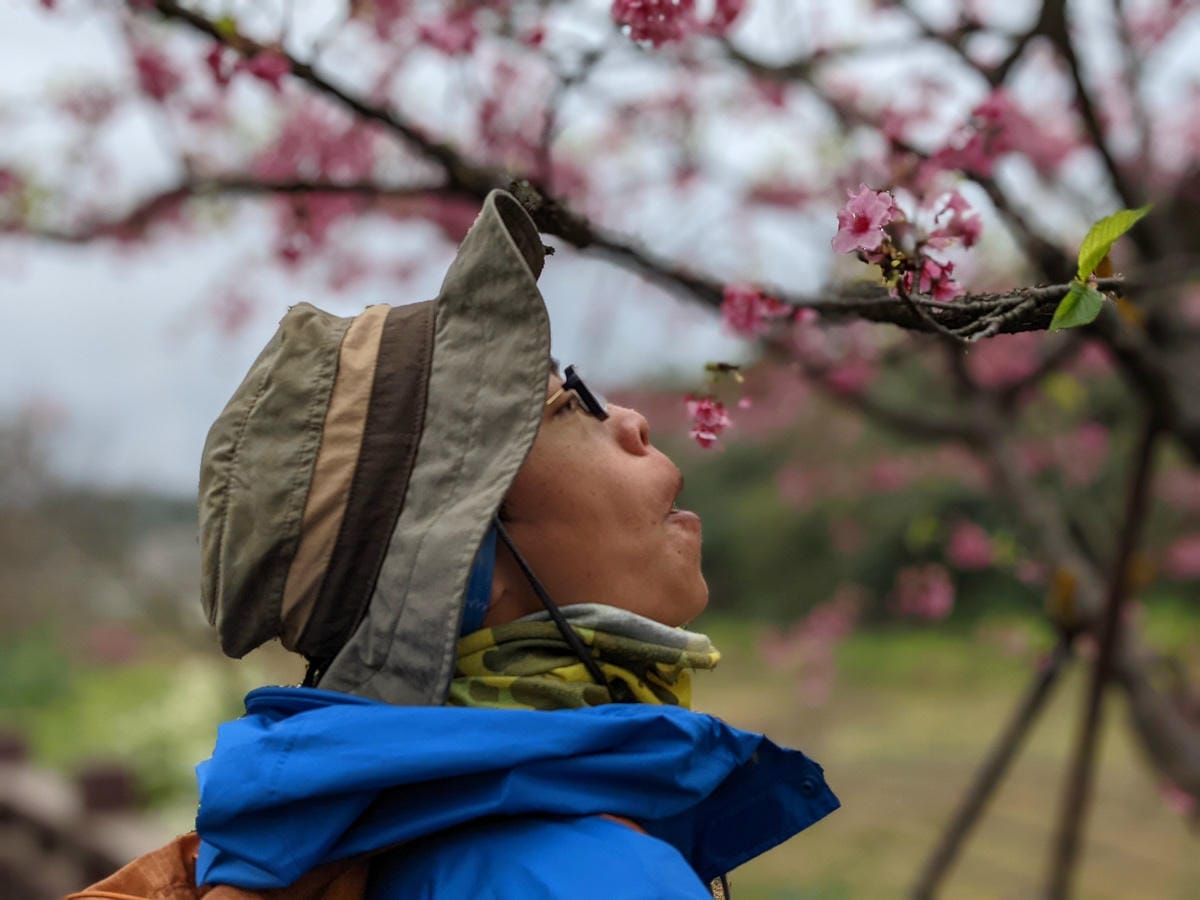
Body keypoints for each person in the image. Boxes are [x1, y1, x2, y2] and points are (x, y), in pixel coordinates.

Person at [70, 190, 838, 900]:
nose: (633, 422)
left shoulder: (346, 851)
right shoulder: (580, 878)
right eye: (575, 405)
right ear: (468, 566)